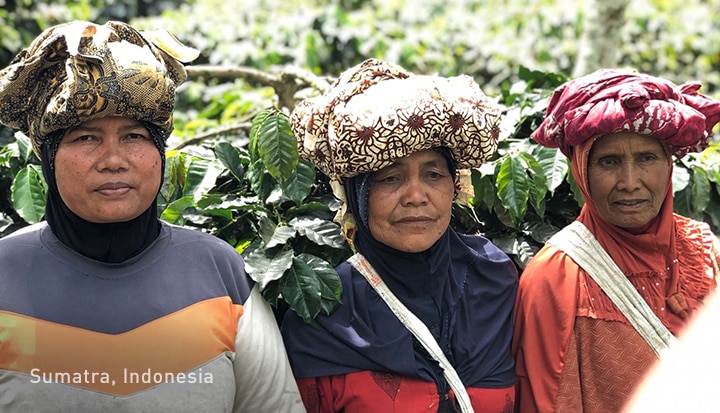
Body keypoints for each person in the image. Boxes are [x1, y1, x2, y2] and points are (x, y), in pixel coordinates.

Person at [0, 21, 305, 412]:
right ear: (47, 156)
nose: (113, 161)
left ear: (160, 152)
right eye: (85, 138)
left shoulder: (219, 273)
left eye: (134, 136)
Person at [280, 58, 519, 413]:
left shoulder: (495, 278)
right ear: (358, 195)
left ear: (455, 185)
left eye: (434, 174)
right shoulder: (324, 311)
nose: (416, 196)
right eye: (390, 178)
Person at [512, 68, 720, 413]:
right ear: (582, 170)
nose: (629, 181)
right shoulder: (556, 276)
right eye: (609, 162)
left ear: (668, 165)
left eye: (646, 159)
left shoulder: (706, 254)